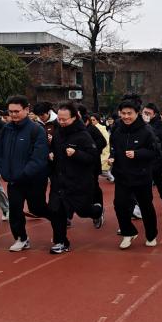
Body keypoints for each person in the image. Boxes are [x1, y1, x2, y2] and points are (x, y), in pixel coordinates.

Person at [0, 95, 51, 251]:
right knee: (15, 210)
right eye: (10, 111)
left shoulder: (36, 130)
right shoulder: (6, 129)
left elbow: (39, 157)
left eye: (17, 111)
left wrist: (24, 173)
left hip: (33, 180)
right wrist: (0, 167)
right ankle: (21, 238)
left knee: (37, 208)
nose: (13, 114)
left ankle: (58, 219)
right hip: (13, 180)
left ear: (26, 110)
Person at [48, 102, 104, 254]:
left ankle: (96, 211)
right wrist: (51, 154)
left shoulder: (83, 135)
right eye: (59, 119)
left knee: (83, 211)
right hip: (59, 180)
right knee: (56, 211)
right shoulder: (57, 133)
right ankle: (61, 242)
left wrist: (76, 154)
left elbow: (92, 157)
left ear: (74, 118)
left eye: (64, 119)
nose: (61, 122)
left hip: (78, 182)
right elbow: (53, 148)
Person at [111, 99, 161, 248]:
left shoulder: (146, 130)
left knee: (146, 206)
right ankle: (128, 232)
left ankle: (151, 235)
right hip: (121, 175)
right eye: (123, 113)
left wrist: (137, 154)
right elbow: (114, 147)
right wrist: (112, 157)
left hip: (141, 175)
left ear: (137, 113)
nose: (126, 116)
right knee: (119, 205)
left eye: (129, 113)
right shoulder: (117, 129)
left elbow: (155, 152)